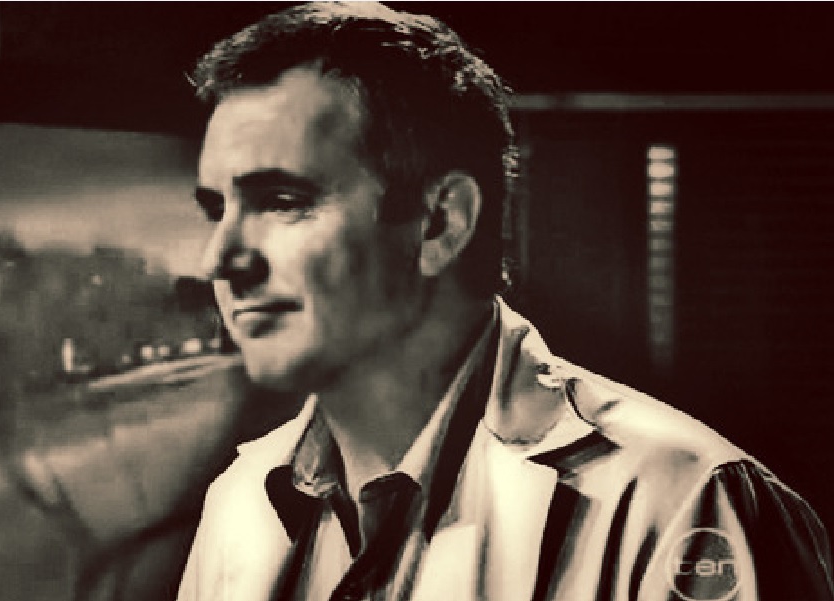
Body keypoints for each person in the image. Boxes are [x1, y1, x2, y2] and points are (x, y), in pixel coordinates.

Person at [177, 3, 833, 600]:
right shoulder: (239, 503)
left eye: (282, 201)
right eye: (216, 210)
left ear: (439, 223)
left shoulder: (687, 504)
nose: (219, 259)